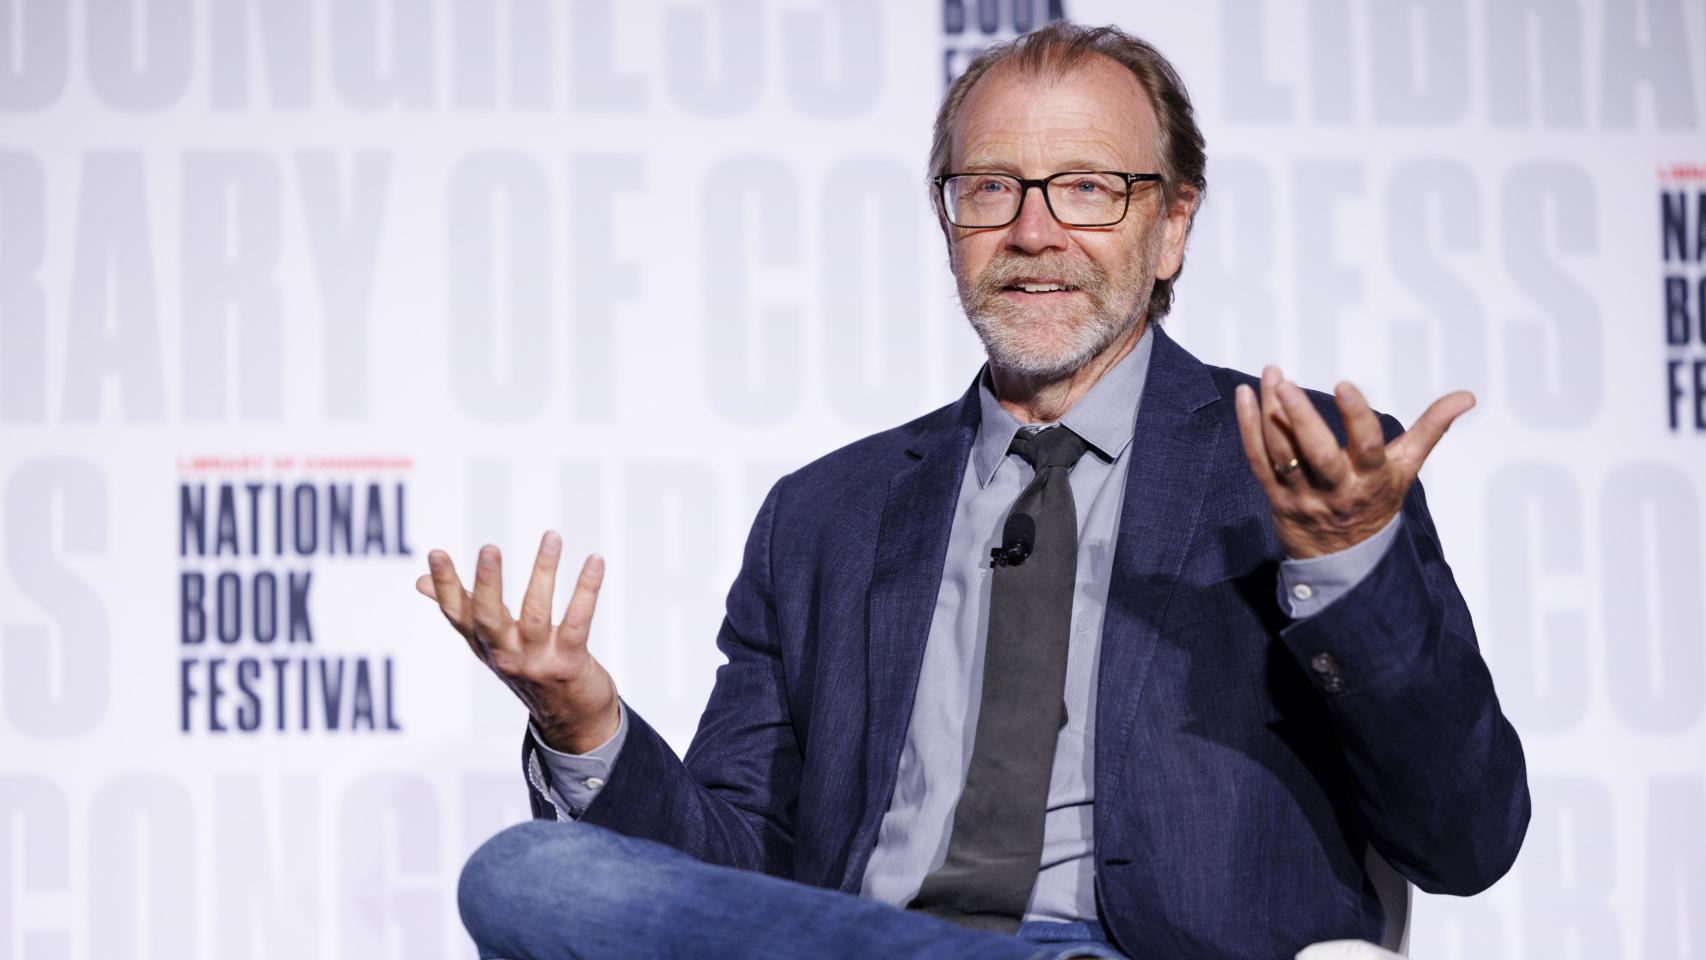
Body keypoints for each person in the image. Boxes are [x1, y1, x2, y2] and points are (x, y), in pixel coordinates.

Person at [418, 22, 1529, 960]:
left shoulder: (1301, 470)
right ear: (947, 222)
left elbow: (1466, 842)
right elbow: (730, 879)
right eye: (990, 188)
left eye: (1088, 189)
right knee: (530, 875)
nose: (1032, 230)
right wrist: (585, 727)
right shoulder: (825, 518)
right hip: (877, 941)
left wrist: (1343, 567)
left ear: (1172, 226)